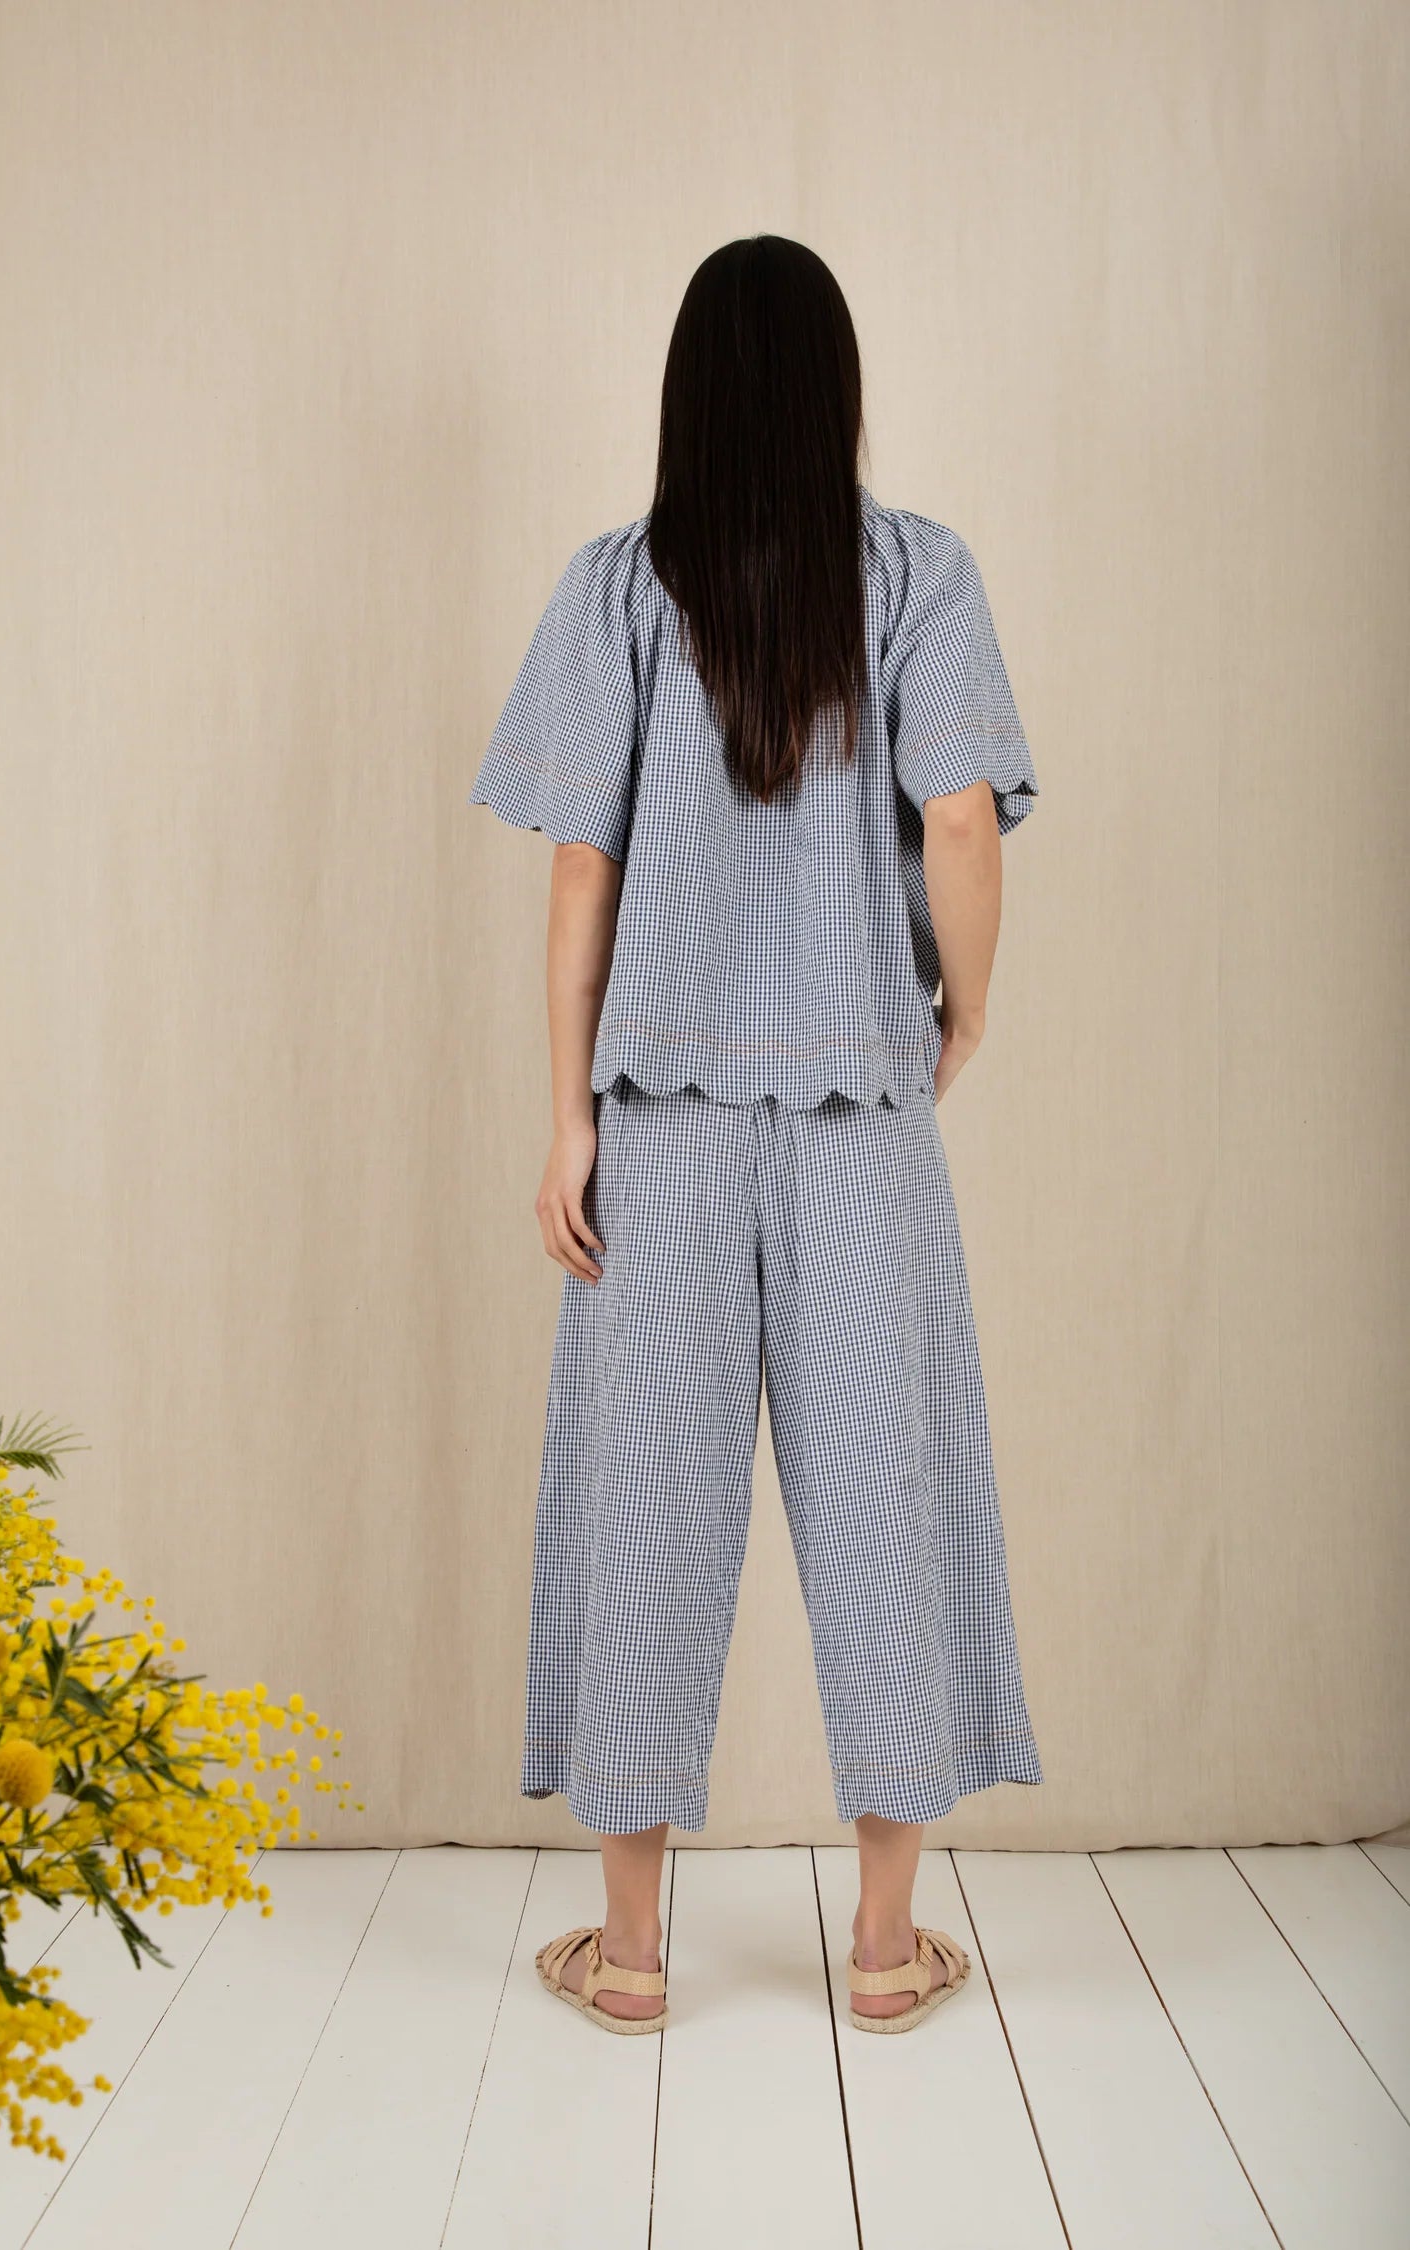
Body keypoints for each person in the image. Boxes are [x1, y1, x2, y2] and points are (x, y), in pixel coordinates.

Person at [468, 234, 1044, 2038]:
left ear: (688, 393)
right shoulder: (920, 574)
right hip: (862, 1118)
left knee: (644, 1508)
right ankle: (883, 1942)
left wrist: (566, 1117)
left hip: (659, 1128)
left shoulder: (619, 587)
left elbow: (583, 869)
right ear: (835, 387)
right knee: (890, 1506)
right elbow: (964, 820)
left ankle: (633, 1951)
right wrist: (962, 1011)